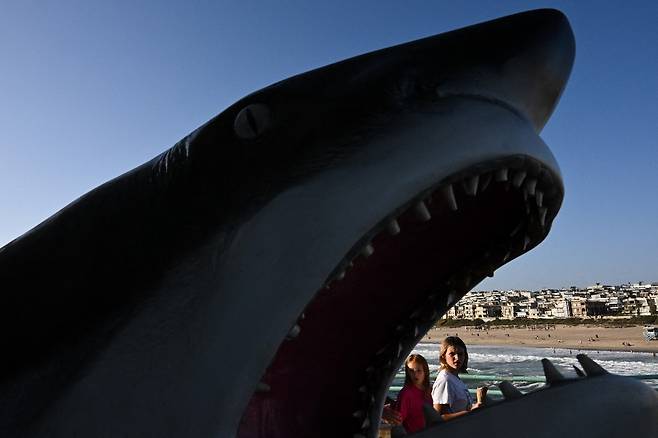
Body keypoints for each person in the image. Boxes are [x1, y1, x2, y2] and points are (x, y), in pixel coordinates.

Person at [432, 336, 486, 421]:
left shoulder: (454, 378)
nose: (457, 358)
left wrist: (477, 403)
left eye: (460, 354)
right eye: (452, 354)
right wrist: (469, 412)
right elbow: (438, 418)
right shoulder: (445, 380)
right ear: (443, 356)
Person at [390, 354, 433, 433]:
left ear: (425, 371)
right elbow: (398, 422)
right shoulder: (406, 393)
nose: (415, 374)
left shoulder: (432, 390)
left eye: (418, 370)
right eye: (411, 371)